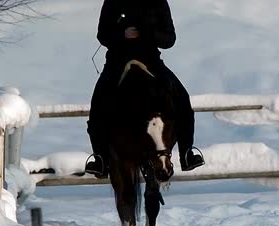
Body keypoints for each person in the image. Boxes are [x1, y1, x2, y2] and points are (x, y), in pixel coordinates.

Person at [85, 0, 205, 178]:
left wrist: (149, 34)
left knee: (182, 99)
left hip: (151, 60)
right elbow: (102, 34)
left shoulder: (159, 2)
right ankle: (100, 158)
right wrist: (122, 34)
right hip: (118, 61)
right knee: (98, 104)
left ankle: (187, 153)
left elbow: (169, 39)